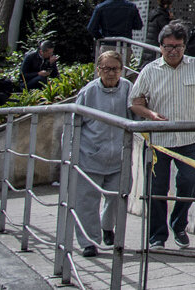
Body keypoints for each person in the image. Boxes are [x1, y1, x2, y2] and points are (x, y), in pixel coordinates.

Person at [130, 22, 195, 248]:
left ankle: (179, 223)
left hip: (188, 140)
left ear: (184, 46)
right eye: (168, 46)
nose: (173, 51)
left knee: (190, 183)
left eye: (178, 46)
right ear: (160, 47)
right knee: (156, 190)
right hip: (158, 141)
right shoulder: (150, 70)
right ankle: (157, 236)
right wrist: (150, 114)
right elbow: (135, 103)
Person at [71, 50, 132, 257]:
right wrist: (69, 153)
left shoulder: (127, 88)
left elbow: (135, 115)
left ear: (121, 70)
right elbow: (73, 123)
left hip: (118, 157)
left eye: (115, 69)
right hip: (90, 155)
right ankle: (89, 241)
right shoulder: (88, 92)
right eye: (106, 69)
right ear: (98, 71)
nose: (111, 73)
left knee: (117, 196)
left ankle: (108, 227)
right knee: (87, 201)